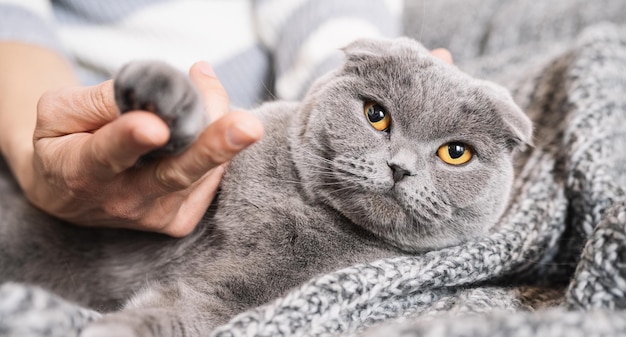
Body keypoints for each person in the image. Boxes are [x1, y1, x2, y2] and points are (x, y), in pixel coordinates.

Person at [0, 0, 452, 237]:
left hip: (307, 93)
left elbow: (327, 12)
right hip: (99, 114)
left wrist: (360, 94)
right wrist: (36, 158)